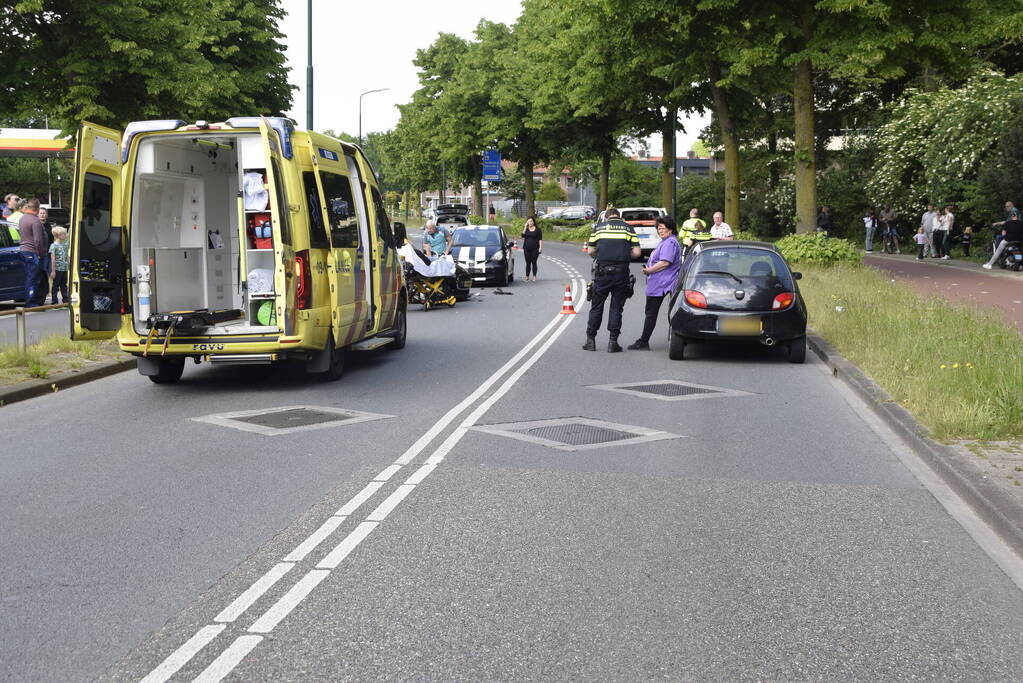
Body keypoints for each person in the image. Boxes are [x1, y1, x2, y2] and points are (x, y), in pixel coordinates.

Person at [583, 207, 639, 352]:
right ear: (619, 217)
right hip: (621, 274)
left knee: (596, 306)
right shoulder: (628, 228)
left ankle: (590, 341)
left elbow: (590, 251)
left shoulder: (598, 228)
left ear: (606, 218)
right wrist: (624, 254)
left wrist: (601, 254)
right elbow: (637, 253)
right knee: (616, 307)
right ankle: (613, 342)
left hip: (602, 274)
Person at [628, 215, 681, 350]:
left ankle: (644, 342)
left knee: (651, 313)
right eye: (658, 228)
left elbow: (665, 262)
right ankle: (645, 340)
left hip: (662, 283)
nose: (660, 231)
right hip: (661, 282)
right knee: (653, 312)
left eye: (662, 228)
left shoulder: (669, 242)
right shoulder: (667, 241)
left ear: (670, 229)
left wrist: (649, 270)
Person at [18, 198, 47, 306]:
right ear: (37, 208)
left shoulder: (23, 218)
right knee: (34, 278)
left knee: (30, 277)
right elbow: (38, 240)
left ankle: (31, 300)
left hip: (24, 251)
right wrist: (40, 254)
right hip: (33, 252)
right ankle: (32, 302)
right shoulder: (35, 221)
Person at [48, 226, 70, 304]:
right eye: (64, 234)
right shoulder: (53, 246)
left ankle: (65, 300)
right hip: (57, 269)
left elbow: (67, 256)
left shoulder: (65, 245)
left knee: (64, 285)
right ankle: (54, 301)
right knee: (55, 285)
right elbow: (53, 259)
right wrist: (53, 271)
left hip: (64, 268)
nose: (66, 235)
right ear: (58, 235)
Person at [520, 215, 543, 281]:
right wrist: (525, 227)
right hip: (526, 249)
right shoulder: (526, 229)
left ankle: (534, 276)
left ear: (533, 222)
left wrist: (540, 248)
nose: (530, 223)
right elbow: (522, 235)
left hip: (535, 249)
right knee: (528, 262)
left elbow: (540, 239)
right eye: (528, 221)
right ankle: (527, 276)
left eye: (531, 221)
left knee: (534, 262)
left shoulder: (538, 230)